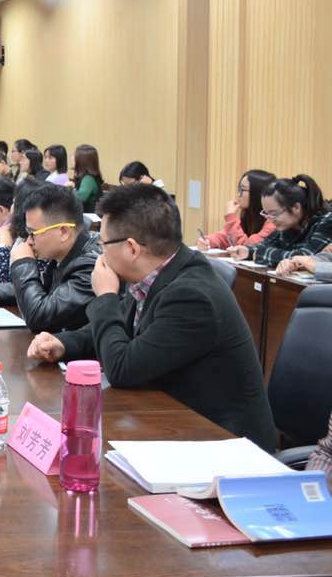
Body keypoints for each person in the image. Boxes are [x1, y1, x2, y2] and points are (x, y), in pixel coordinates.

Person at [28, 184, 276, 450]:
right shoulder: (157, 273)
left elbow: (121, 368)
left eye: (103, 244)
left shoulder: (191, 297)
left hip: (225, 445)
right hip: (176, 424)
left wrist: (105, 296)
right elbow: (121, 327)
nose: (100, 252)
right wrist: (64, 343)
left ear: (132, 249)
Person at [0, 183, 101, 333]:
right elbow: (38, 287)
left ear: (63, 232)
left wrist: (23, 263)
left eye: (33, 233)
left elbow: (39, 317)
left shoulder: (90, 268)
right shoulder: (61, 254)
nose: (29, 241)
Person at [229, 175, 332, 267]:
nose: (270, 219)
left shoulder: (327, 221)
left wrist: (258, 253)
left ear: (296, 207)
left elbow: (304, 258)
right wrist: (247, 251)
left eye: (274, 213)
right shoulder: (287, 224)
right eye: (266, 213)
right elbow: (263, 246)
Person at [198, 169, 278, 250]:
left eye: (242, 190)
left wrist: (231, 217)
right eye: (239, 189)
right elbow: (227, 237)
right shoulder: (248, 214)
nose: (238, 194)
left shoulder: (273, 221)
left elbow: (247, 247)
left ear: (257, 193)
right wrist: (207, 241)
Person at [72, 143, 104, 211]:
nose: (72, 157)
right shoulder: (88, 177)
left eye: (74, 156)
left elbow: (81, 197)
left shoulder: (88, 179)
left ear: (82, 161)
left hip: (89, 215)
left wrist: (68, 189)